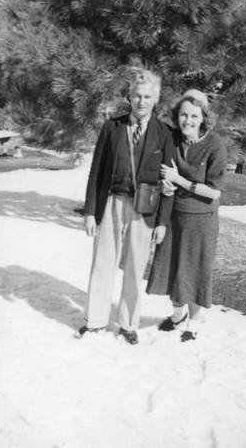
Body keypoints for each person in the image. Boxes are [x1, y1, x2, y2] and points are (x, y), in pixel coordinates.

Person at [75, 69, 176, 345]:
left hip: (145, 210)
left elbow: (169, 180)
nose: (141, 102)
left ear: (156, 99)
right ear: (129, 97)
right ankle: (94, 321)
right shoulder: (112, 127)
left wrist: (163, 222)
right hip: (113, 203)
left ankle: (128, 324)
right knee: (103, 262)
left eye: (147, 97)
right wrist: (91, 212)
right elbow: (96, 171)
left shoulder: (165, 134)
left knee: (134, 267)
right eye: (137, 96)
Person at [147, 89, 227, 342]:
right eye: (183, 115)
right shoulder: (173, 138)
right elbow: (162, 172)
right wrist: (165, 185)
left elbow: (214, 193)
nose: (188, 121)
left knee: (194, 270)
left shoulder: (215, 144)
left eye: (194, 115)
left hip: (201, 219)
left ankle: (193, 322)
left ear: (204, 117)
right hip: (175, 216)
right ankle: (177, 315)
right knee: (173, 268)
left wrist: (178, 180)